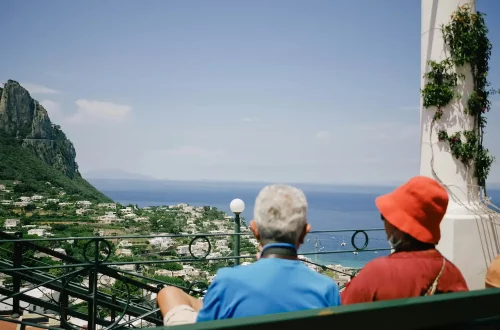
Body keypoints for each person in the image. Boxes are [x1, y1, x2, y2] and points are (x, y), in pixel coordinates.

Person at [157, 184, 341, 326]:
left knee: (169, 293)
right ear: (305, 232)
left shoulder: (228, 282)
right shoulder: (325, 289)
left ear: (254, 230)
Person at [341, 176, 468, 304]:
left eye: (384, 216)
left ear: (399, 226)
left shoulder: (376, 274)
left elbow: (339, 314)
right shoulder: (453, 275)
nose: (384, 223)